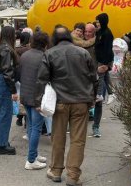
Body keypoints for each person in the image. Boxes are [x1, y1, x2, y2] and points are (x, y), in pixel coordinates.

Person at [35, 26, 97, 186]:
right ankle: (73, 176)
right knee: (78, 140)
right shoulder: (83, 53)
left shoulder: (49, 53)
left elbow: (41, 79)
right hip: (81, 102)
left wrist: (38, 102)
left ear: (54, 39)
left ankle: (56, 171)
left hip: (60, 102)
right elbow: (93, 77)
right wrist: (92, 98)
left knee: (58, 137)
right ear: (69, 37)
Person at [20, 31, 49, 170]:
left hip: (25, 95)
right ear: (45, 44)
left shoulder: (25, 55)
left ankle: (34, 155)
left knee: (32, 127)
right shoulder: (44, 57)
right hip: (37, 97)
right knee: (36, 128)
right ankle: (31, 160)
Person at [0, 26, 19, 155]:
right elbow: (8, 71)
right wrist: (13, 90)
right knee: (5, 113)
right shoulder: (7, 49)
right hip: (4, 82)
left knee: (2, 112)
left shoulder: (2, 47)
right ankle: (1, 144)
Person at [95, 13, 115, 104]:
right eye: (96, 22)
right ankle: (111, 93)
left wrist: (105, 63)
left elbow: (108, 48)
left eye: (98, 22)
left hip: (104, 59)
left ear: (103, 21)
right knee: (105, 77)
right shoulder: (100, 31)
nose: (97, 24)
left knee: (100, 76)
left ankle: (99, 95)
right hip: (100, 58)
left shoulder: (107, 33)